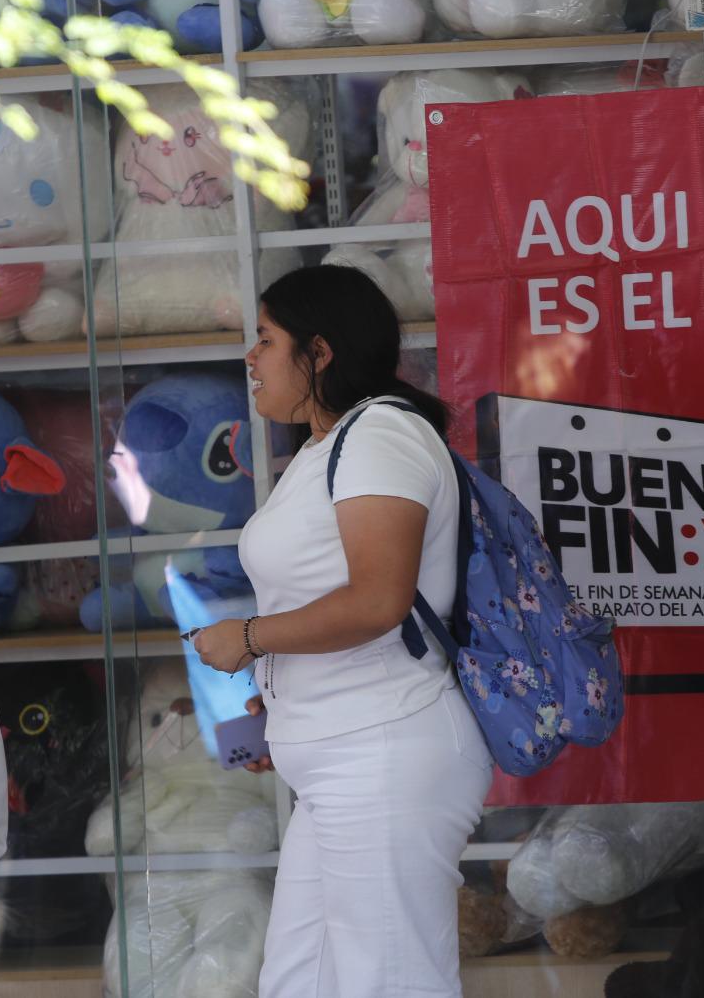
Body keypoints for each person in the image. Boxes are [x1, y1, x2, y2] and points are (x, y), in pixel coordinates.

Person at [192, 265, 493, 998]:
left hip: (385, 752)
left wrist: (253, 638)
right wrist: (280, 695)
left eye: (266, 340)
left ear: (319, 352)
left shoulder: (380, 435)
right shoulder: (324, 450)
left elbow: (377, 601)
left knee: (388, 983)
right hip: (342, 760)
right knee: (301, 983)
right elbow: (336, 596)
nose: (251, 359)